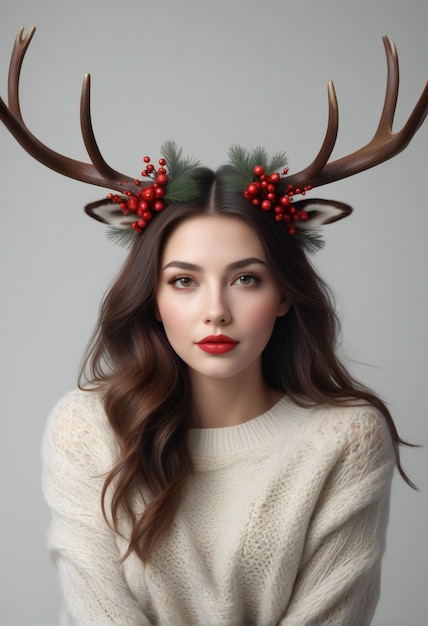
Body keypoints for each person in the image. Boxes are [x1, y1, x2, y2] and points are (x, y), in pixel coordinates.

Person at [1, 28, 427, 626]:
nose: (216, 310)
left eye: (247, 278)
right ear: (151, 298)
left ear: (284, 294)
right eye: (183, 280)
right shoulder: (86, 430)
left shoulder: (346, 441)